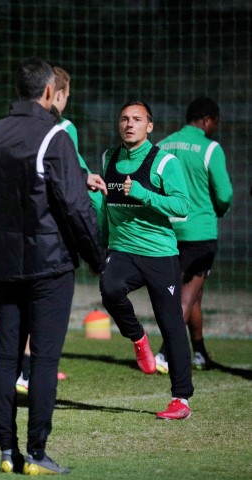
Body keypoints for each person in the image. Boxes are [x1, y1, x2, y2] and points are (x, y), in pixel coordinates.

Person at [0, 57, 105, 475]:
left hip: (5, 263)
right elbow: (75, 205)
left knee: (5, 359)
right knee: (45, 360)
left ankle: (6, 451)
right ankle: (36, 452)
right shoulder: (56, 135)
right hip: (49, 265)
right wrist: (97, 257)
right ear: (50, 91)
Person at [99, 100, 194, 420]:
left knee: (171, 324)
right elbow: (105, 206)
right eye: (125, 118)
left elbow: (182, 205)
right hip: (122, 250)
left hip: (159, 254)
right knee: (109, 289)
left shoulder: (165, 162)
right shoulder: (109, 157)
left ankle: (181, 399)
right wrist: (100, 245)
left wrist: (143, 193)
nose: (130, 124)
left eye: (137, 119)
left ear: (149, 127)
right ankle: (138, 338)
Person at [15, 66, 102, 395]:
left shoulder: (12, 127)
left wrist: (84, 175)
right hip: (51, 233)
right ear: (57, 94)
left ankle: (24, 369)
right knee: (45, 304)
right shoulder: (62, 128)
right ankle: (33, 370)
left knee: (24, 304)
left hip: (19, 228)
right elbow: (66, 175)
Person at [154, 97, 233, 373]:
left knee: (194, 295)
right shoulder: (211, 148)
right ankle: (164, 355)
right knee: (186, 296)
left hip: (168, 231)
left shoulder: (162, 146)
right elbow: (225, 194)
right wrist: (219, 210)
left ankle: (199, 353)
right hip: (200, 232)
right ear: (207, 120)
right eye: (216, 122)